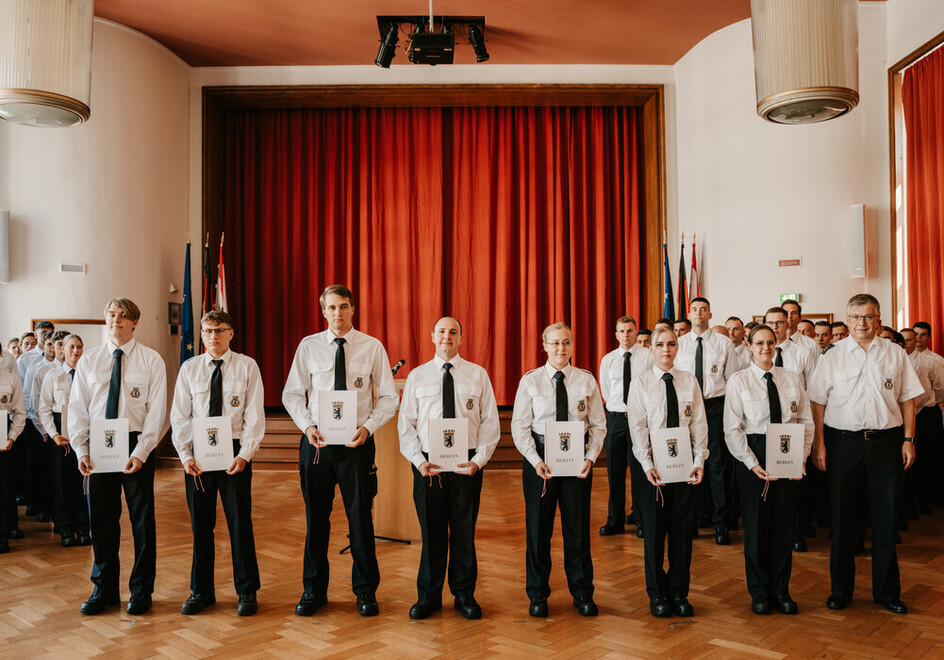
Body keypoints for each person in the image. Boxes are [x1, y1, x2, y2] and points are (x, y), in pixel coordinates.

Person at [282, 284, 398, 617]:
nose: (338, 313)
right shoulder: (309, 347)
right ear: (323, 312)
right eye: (331, 308)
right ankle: (313, 590)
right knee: (315, 521)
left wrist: (368, 427)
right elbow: (292, 394)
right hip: (317, 445)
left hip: (356, 445)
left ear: (353, 309)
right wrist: (308, 427)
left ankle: (365, 592)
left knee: (360, 520)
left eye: (344, 306)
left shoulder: (372, 347)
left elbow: (389, 397)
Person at [808, 294, 922, 614]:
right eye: (856, 317)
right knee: (843, 520)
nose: (862, 323)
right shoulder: (831, 356)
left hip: (886, 444)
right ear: (847, 320)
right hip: (843, 444)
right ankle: (841, 591)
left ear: (879, 319)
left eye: (868, 317)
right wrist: (820, 444)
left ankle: (887, 592)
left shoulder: (895, 354)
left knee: (885, 520)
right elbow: (817, 402)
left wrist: (909, 439)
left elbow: (908, 399)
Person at [398, 317, 500, 620]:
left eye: (453, 332)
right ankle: (428, 597)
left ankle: (464, 594)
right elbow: (407, 427)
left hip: (465, 465)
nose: (447, 336)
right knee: (432, 533)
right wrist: (419, 462)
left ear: (461, 338)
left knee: (464, 532)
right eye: (441, 332)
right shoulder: (418, 376)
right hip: (429, 466)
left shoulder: (477, 375)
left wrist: (478, 461)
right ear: (432, 337)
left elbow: (489, 424)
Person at [69, 298, 167, 616]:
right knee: (102, 520)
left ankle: (141, 590)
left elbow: (156, 413)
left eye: (124, 316)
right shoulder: (89, 361)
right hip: (99, 445)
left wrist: (141, 452)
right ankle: (105, 588)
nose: (117, 320)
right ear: (105, 319)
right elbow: (78, 410)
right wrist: (81, 450)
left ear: (134, 323)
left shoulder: (151, 361)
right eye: (112, 314)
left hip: (135, 443)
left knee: (141, 521)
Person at [171, 310, 264, 617]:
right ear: (201, 334)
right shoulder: (190, 369)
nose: (213, 336)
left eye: (220, 330)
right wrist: (185, 456)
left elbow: (254, 415)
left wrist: (245, 454)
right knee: (201, 526)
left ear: (231, 333)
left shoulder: (247, 367)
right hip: (199, 455)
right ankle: (201, 590)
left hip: (234, 453)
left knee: (240, 524)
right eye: (208, 331)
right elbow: (180, 417)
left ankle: (246, 590)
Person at [511, 322, 605, 618]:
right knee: (538, 531)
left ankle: (582, 593)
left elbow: (599, 425)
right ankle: (538, 594)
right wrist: (534, 459)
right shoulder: (531, 381)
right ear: (544, 346)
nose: (561, 348)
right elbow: (520, 426)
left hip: (577, 460)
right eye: (555, 343)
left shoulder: (586, 380)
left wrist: (590, 457)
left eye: (566, 343)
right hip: (542, 461)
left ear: (572, 345)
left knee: (577, 531)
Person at [724, 324, 812, 615]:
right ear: (748, 345)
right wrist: (752, 463)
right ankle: (759, 591)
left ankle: (781, 589)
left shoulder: (791, 378)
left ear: (777, 345)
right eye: (759, 342)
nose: (765, 348)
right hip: (754, 456)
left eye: (770, 342)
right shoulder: (739, 381)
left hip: (787, 450)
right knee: (757, 526)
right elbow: (732, 429)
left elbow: (805, 421)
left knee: (783, 526)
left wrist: (802, 457)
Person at [627, 327, 707, 618]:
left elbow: (699, 425)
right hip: (653, 471)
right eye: (659, 344)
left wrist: (699, 460)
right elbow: (637, 430)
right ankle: (657, 594)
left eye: (671, 344)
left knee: (682, 533)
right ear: (651, 348)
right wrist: (647, 465)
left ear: (677, 347)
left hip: (685, 469)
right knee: (655, 533)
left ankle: (679, 592)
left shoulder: (689, 382)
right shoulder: (641, 383)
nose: (665, 349)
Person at [675, 297, 739, 544]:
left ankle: (720, 522)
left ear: (710, 314)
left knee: (716, 465)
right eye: (694, 309)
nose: (698, 313)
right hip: (686, 409)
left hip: (714, 407)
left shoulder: (723, 343)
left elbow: (732, 380)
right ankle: (693, 519)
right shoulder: (679, 344)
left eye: (703, 309)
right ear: (689, 314)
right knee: (687, 462)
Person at [598, 316, 653, 538]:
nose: (626, 335)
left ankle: (641, 518)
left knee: (640, 469)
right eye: (622, 331)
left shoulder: (648, 357)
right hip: (617, 419)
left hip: (640, 419)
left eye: (630, 330)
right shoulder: (608, 360)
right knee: (615, 470)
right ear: (616, 334)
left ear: (636, 332)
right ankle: (615, 520)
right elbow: (606, 390)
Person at [38, 334, 91, 548]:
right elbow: (43, 408)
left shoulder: (88, 375)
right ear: (63, 350)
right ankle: (65, 529)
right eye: (71, 347)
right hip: (60, 434)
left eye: (79, 347)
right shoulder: (53, 376)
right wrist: (54, 434)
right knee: (61, 484)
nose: (76, 351)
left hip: (84, 435)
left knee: (82, 484)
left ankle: (83, 528)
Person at [901, 327, 941, 515]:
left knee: (925, 457)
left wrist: (913, 412)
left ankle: (926, 498)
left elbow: (932, 392)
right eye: (907, 339)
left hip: (923, 413)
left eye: (913, 338)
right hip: (903, 417)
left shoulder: (927, 362)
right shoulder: (898, 359)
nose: (912, 341)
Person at [0, 365, 26, 553]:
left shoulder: (10, 379)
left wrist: (12, 437)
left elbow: (19, 411)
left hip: (3, 438)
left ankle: (2, 536)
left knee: (4, 489)